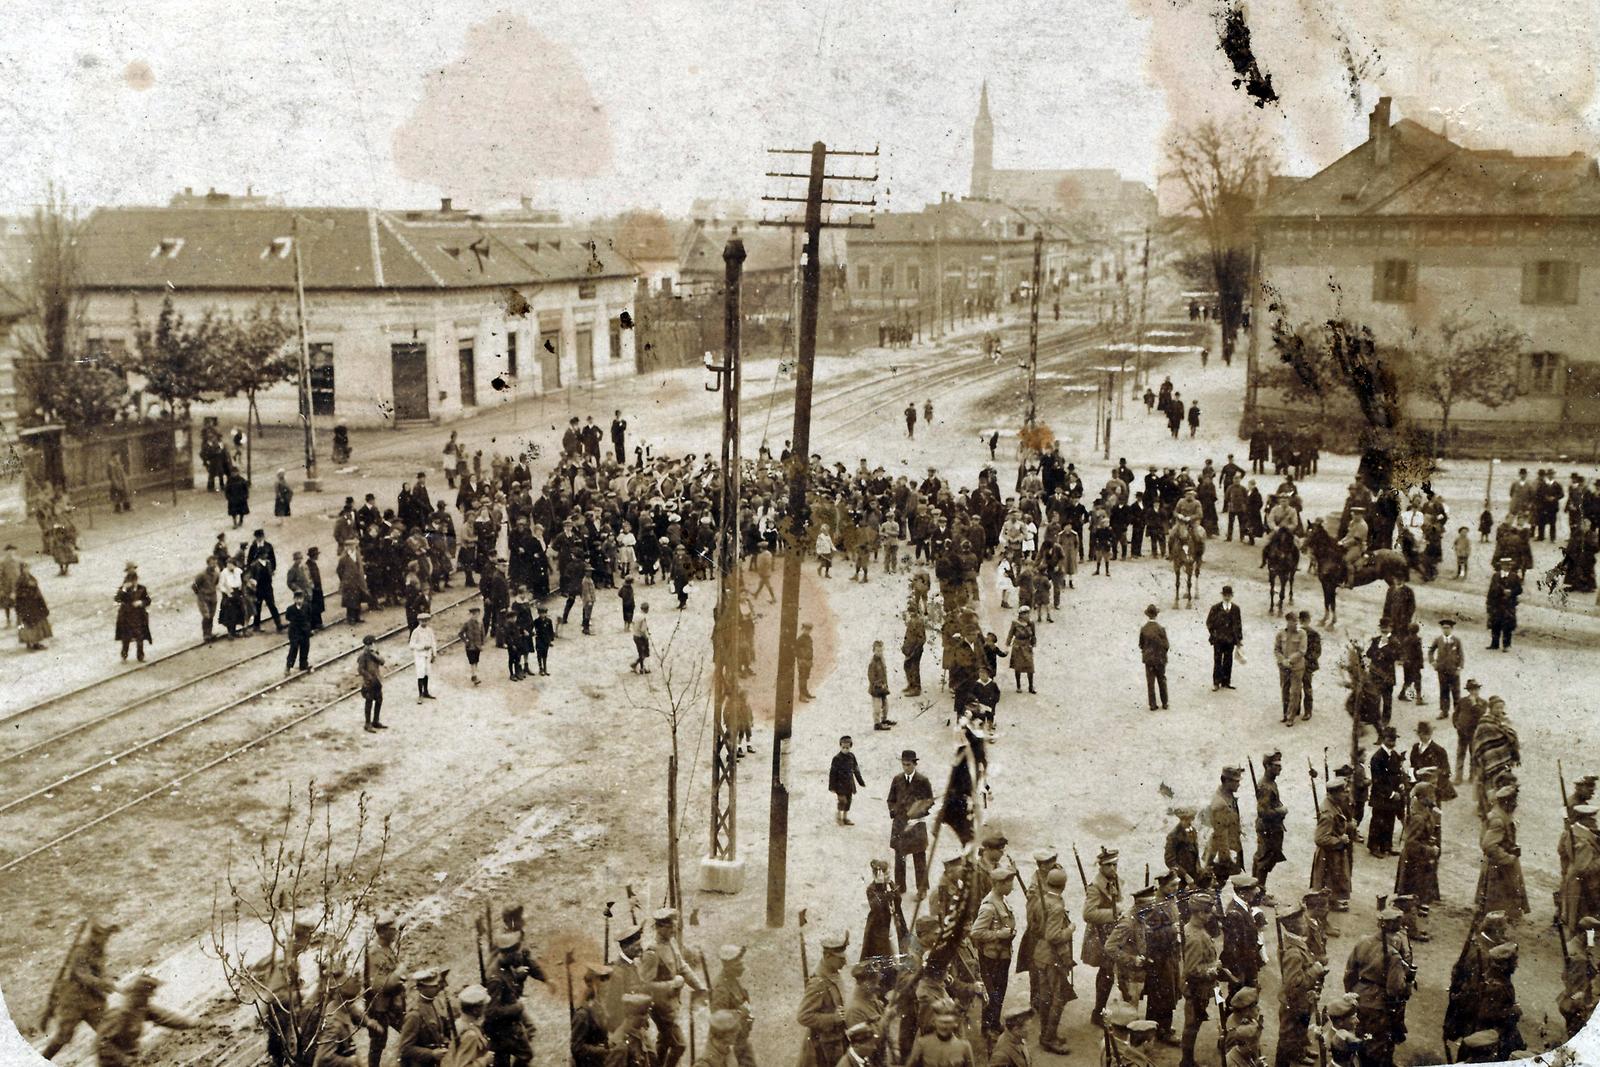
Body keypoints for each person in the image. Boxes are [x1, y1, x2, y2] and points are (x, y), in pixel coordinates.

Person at [93, 974, 196, 1067]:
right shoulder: (119, 1014)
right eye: (149, 994)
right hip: (113, 1063)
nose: (152, 996)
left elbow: (166, 1017)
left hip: (131, 1059)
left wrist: (193, 1024)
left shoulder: (142, 1009)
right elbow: (102, 1043)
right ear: (139, 995)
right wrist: (123, 1059)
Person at [1477, 784, 1530, 923]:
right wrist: (1508, 858)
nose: (1516, 804)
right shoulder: (1498, 819)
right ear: (1506, 802)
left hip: (1502, 863)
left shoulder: (1502, 814)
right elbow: (1488, 845)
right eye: (1514, 800)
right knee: (1499, 898)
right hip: (1500, 867)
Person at [888, 750, 933, 898]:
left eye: (908, 765)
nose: (905, 768)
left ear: (915, 764)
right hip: (900, 823)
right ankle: (900, 886)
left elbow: (929, 801)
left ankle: (922, 889)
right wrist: (893, 811)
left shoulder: (923, 781)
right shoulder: (897, 779)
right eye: (903, 764)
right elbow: (891, 799)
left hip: (916, 824)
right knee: (900, 856)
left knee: (919, 856)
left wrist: (919, 812)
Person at [1205, 767, 1245, 878]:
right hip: (1222, 853)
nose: (1239, 784)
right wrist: (1226, 860)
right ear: (1225, 781)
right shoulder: (1220, 804)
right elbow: (1220, 835)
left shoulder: (1228, 796)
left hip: (1229, 847)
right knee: (1217, 883)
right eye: (1236, 781)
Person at [570, 965, 612, 1067]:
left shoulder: (600, 1006)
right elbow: (577, 1048)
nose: (607, 984)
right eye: (602, 980)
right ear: (593, 984)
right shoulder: (583, 1014)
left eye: (607, 979)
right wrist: (603, 1051)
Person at [1206, 586, 1243, 690]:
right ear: (1222, 595)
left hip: (1230, 640)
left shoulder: (1236, 609)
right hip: (1218, 639)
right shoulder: (1215, 608)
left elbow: (1239, 624)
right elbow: (1209, 622)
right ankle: (1216, 683)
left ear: (1232, 596)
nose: (1227, 597)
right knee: (1217, 660)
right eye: (1225, 595)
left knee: (1228, 660)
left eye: (1229, 595)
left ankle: (1226, 682)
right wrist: (1214, 633)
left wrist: (1239, 639)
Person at [114, 565, 153, 662]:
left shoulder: (142, 589)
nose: (134, 583)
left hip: (139, 616)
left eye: (135, 580)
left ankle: (140, 657)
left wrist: (141, 603)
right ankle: (124, 656)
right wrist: (123, 589)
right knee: (125, 638)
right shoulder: (123, 589)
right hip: (126, 617)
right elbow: (117, 599)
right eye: (132, 580)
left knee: (140, 637)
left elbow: (148, 600)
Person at [248, 530, 284, 633]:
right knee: (258, 606)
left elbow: (273, 561)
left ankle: (279, 624)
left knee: (272, 605)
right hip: (258, 587)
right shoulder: (255, 564)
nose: (266, 555)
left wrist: (272, 571)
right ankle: (256, 625)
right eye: (264, 554)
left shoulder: (268, 562)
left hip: (268, 587)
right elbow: (250, 566)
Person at [1274, 612, 1307, 724]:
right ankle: (1285, 714)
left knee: (1295, 692)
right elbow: (1276, 649)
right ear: (1288, 621)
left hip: (1296, 668)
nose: (1296, 623)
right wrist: (1282, 660)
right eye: (1293, 621)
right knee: (1284, 690)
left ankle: (1291, 717)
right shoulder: (1281, 633)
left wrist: (1289, 660)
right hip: (1283, 667)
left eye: (1297, 620)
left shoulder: (1302, 634)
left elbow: (1302, 651)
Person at [830, 735, 867, 825]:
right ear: (840, 746)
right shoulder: (836, 758)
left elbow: (856, 770)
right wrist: (832, 787)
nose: (845, 749)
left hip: (849, 784)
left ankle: (845, 818)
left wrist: (860, 781)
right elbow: (832, 773)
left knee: (848, 802)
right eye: (843, 747)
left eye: (847, 747)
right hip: (840, 785)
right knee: (842, 801)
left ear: (850, 746)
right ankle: (839, 817)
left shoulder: (852, 757)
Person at [1139, 604, 1169, 711]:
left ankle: (1152, 704)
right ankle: (1164, 703)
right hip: (1160, 659)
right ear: (1156, 615)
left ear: (1148, 615)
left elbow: (1141, 644)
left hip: (1149, 660)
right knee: (1162, 680)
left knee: (1150, 682)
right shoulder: (1161, 629)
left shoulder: (1143, 629)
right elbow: (1166, 645)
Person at [1486, 559, 1521, 650]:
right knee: (1495, 624)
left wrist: (1511, 592)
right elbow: (1491, 590)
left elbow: (1519, 590)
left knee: (1507, 625)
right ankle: (1494, 644)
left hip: (1508, 605)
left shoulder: (1514, 576)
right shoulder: (1496, 576)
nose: (1507, 567)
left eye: (1508, 565)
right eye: (1504, 565)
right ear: (1501, 566)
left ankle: (1506, 645)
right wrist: (1489, 603)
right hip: (1496, 604)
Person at [358, 635, 386, 733]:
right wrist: (369, 677)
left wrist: (374, 654)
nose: (370, 646)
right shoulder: (363, 656)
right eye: (369, 645)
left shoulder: (375, 654)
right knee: (369, 702)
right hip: (369, 682)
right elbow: (360, 670)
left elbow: (382, 662)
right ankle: (367, 723)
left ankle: (375, 721)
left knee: (379, 700)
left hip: (377, 681)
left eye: (372, 644)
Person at [1006, 606, 1036, 693]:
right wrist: (1007, 645)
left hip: (1027, 645)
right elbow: (1010, 634)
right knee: (1018, 667)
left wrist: (1033, 644)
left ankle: (1031, 687)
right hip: (1018, 646)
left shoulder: (1031, 623)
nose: (1027, 615)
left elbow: (1033, 635)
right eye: (1025, 614)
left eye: (1028, 613)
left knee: (1030, 667)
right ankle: (1018, 686)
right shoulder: (1015, 623)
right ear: (1020, 615)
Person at [285, 590, 313, 673]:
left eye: (300, 598)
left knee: (305, 648)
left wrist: (308, 628)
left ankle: (303, 664)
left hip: (304, 631)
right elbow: (288, 617)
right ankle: (288, 667)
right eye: (297, 599)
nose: (299, 601)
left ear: (303, 599)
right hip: (294, 632)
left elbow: (309, 616)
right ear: (294, 599)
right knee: (293, 649)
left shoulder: (307, 606)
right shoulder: (290, 609)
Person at [868, 640, 892, 730]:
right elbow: (871, 677)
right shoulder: (872, 663)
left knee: (885, 705)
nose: (880, 652)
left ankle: (884, 719)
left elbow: (884, 673)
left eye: (881, 650)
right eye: (878, 651)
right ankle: (877, 723)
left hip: (883, 687)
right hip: (876, 689)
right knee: (877, 707)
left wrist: (885, 684)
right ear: (874, 651)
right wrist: (878, 684)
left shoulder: (882, 660)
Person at [458, 606, 484, 686]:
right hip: (470, 646)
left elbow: (482, 633)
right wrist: (466, 641)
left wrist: (482, 642)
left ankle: (474, 675)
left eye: (477, 614)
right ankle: (474, 676)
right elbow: (460, 633)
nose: (475, 616)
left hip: (477, 646)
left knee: (476, 660)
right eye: (473, 614)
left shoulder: (480, 623)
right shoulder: (467, 623)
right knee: (472, 661)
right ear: (471, 615)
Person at [533, 605, 555, 675]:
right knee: (539, 654)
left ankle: (545, 669)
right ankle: (540, 668)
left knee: (545, 654)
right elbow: (534, 630)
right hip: (539, 640)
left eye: (544, 613)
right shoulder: (536, 621)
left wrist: (551, 639)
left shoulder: (549, 621)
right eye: (541, 613)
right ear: (538, 613)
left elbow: (551, 630)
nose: (543, 614)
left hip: (546, 640)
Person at [796, 620, 815, 700]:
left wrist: (810, 660)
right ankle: (801, 695)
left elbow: (810, 650)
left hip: (808, 661)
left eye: (809, 630)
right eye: (805, 629)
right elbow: (796, 650)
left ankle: (805, 692)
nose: (807, 631)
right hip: (802, 661)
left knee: (806, 677)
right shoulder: (800, 639)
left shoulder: (809, 638)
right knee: (802, 678)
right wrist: (801, 659)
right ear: (802, 629)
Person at [631, 602, 651, 674]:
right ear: (646, 609)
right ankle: (637, 665)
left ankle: (640, 667)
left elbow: (633, 623)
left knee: (641, 653)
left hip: (635, 635)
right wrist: (646, 637)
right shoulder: (643, 617)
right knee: (645, 653)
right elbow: (643, 630)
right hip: (640, 637)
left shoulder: (636, 615)